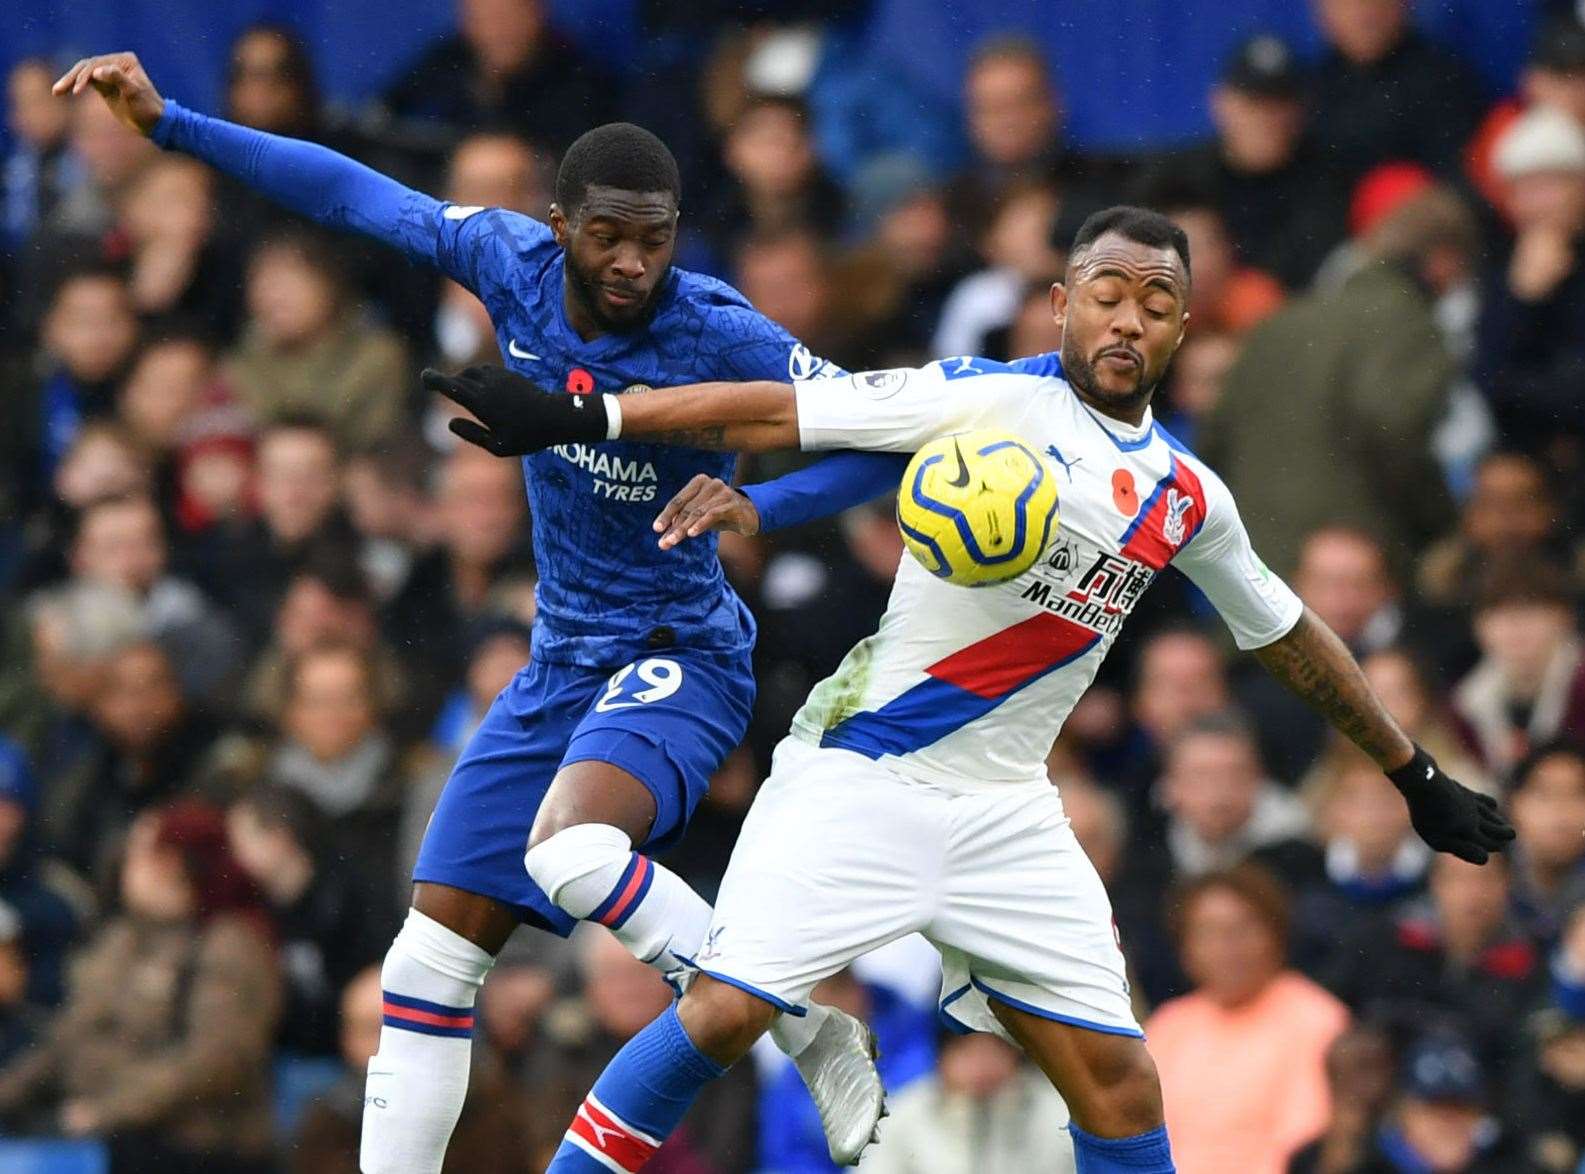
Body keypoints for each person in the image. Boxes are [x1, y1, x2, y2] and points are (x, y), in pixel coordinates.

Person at [446, 205, 1514, 1173]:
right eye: (1107, 294)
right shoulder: (984, 395)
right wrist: (591, 423)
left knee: (1120, 1083)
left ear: (1183, 329)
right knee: (726, 1011)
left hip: (1006, 810)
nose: (1127, 321)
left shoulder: (1189, 496)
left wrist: (1409, 768)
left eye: (1157, 303)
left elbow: (1286, 632)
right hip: (862, 773)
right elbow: (784, 410)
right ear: (1060, 304)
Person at [56, 48, 915, 1171]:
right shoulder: (503, 258)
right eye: (607, 233)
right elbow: (350, 191)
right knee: (424, 966)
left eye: (653, 237)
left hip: (680, 653)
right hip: (561, 662)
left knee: (571, 850)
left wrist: (762, 509)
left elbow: (874, 440)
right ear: (557, 223)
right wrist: (172, 125)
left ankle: (804, 1023)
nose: (631, 261)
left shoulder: (716, 330)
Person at [1198, 186, 1478, 576]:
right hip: (1356, 563)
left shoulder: (1280, 322)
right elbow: (1393, 427)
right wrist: (1440, 522)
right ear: (1443, 260)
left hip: (1255, 557)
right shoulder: (1408, 322)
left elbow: (1212, 442)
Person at [0, 800, 280, 1174]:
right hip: (96, 1129)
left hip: (192, 1147)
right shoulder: (121, 937)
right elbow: (69, 1036)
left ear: (176, 864)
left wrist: (106, 1111)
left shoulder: (230, 944)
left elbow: (214, 1061)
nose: (126, 864)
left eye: (140, 852)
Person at [1147, 865, 1350, 1174]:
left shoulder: (1315, 1018)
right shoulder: (1169, 1024)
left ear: (1275, 935)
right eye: (1208, 932)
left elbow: (1304, 1141)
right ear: (1185, 949)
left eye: (1242, 929)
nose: (1227, 948)